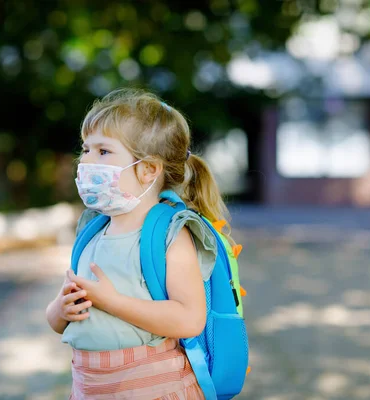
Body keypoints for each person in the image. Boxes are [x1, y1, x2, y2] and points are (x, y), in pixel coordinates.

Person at [45, 87, 234, 399]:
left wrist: (112, 301)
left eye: (103, 152)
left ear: (148, 169)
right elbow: (57, 323)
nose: (87, 160)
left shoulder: (170, 234)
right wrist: (60, 309)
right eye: (86, 149)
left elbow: (190, 319)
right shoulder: (92, 231)